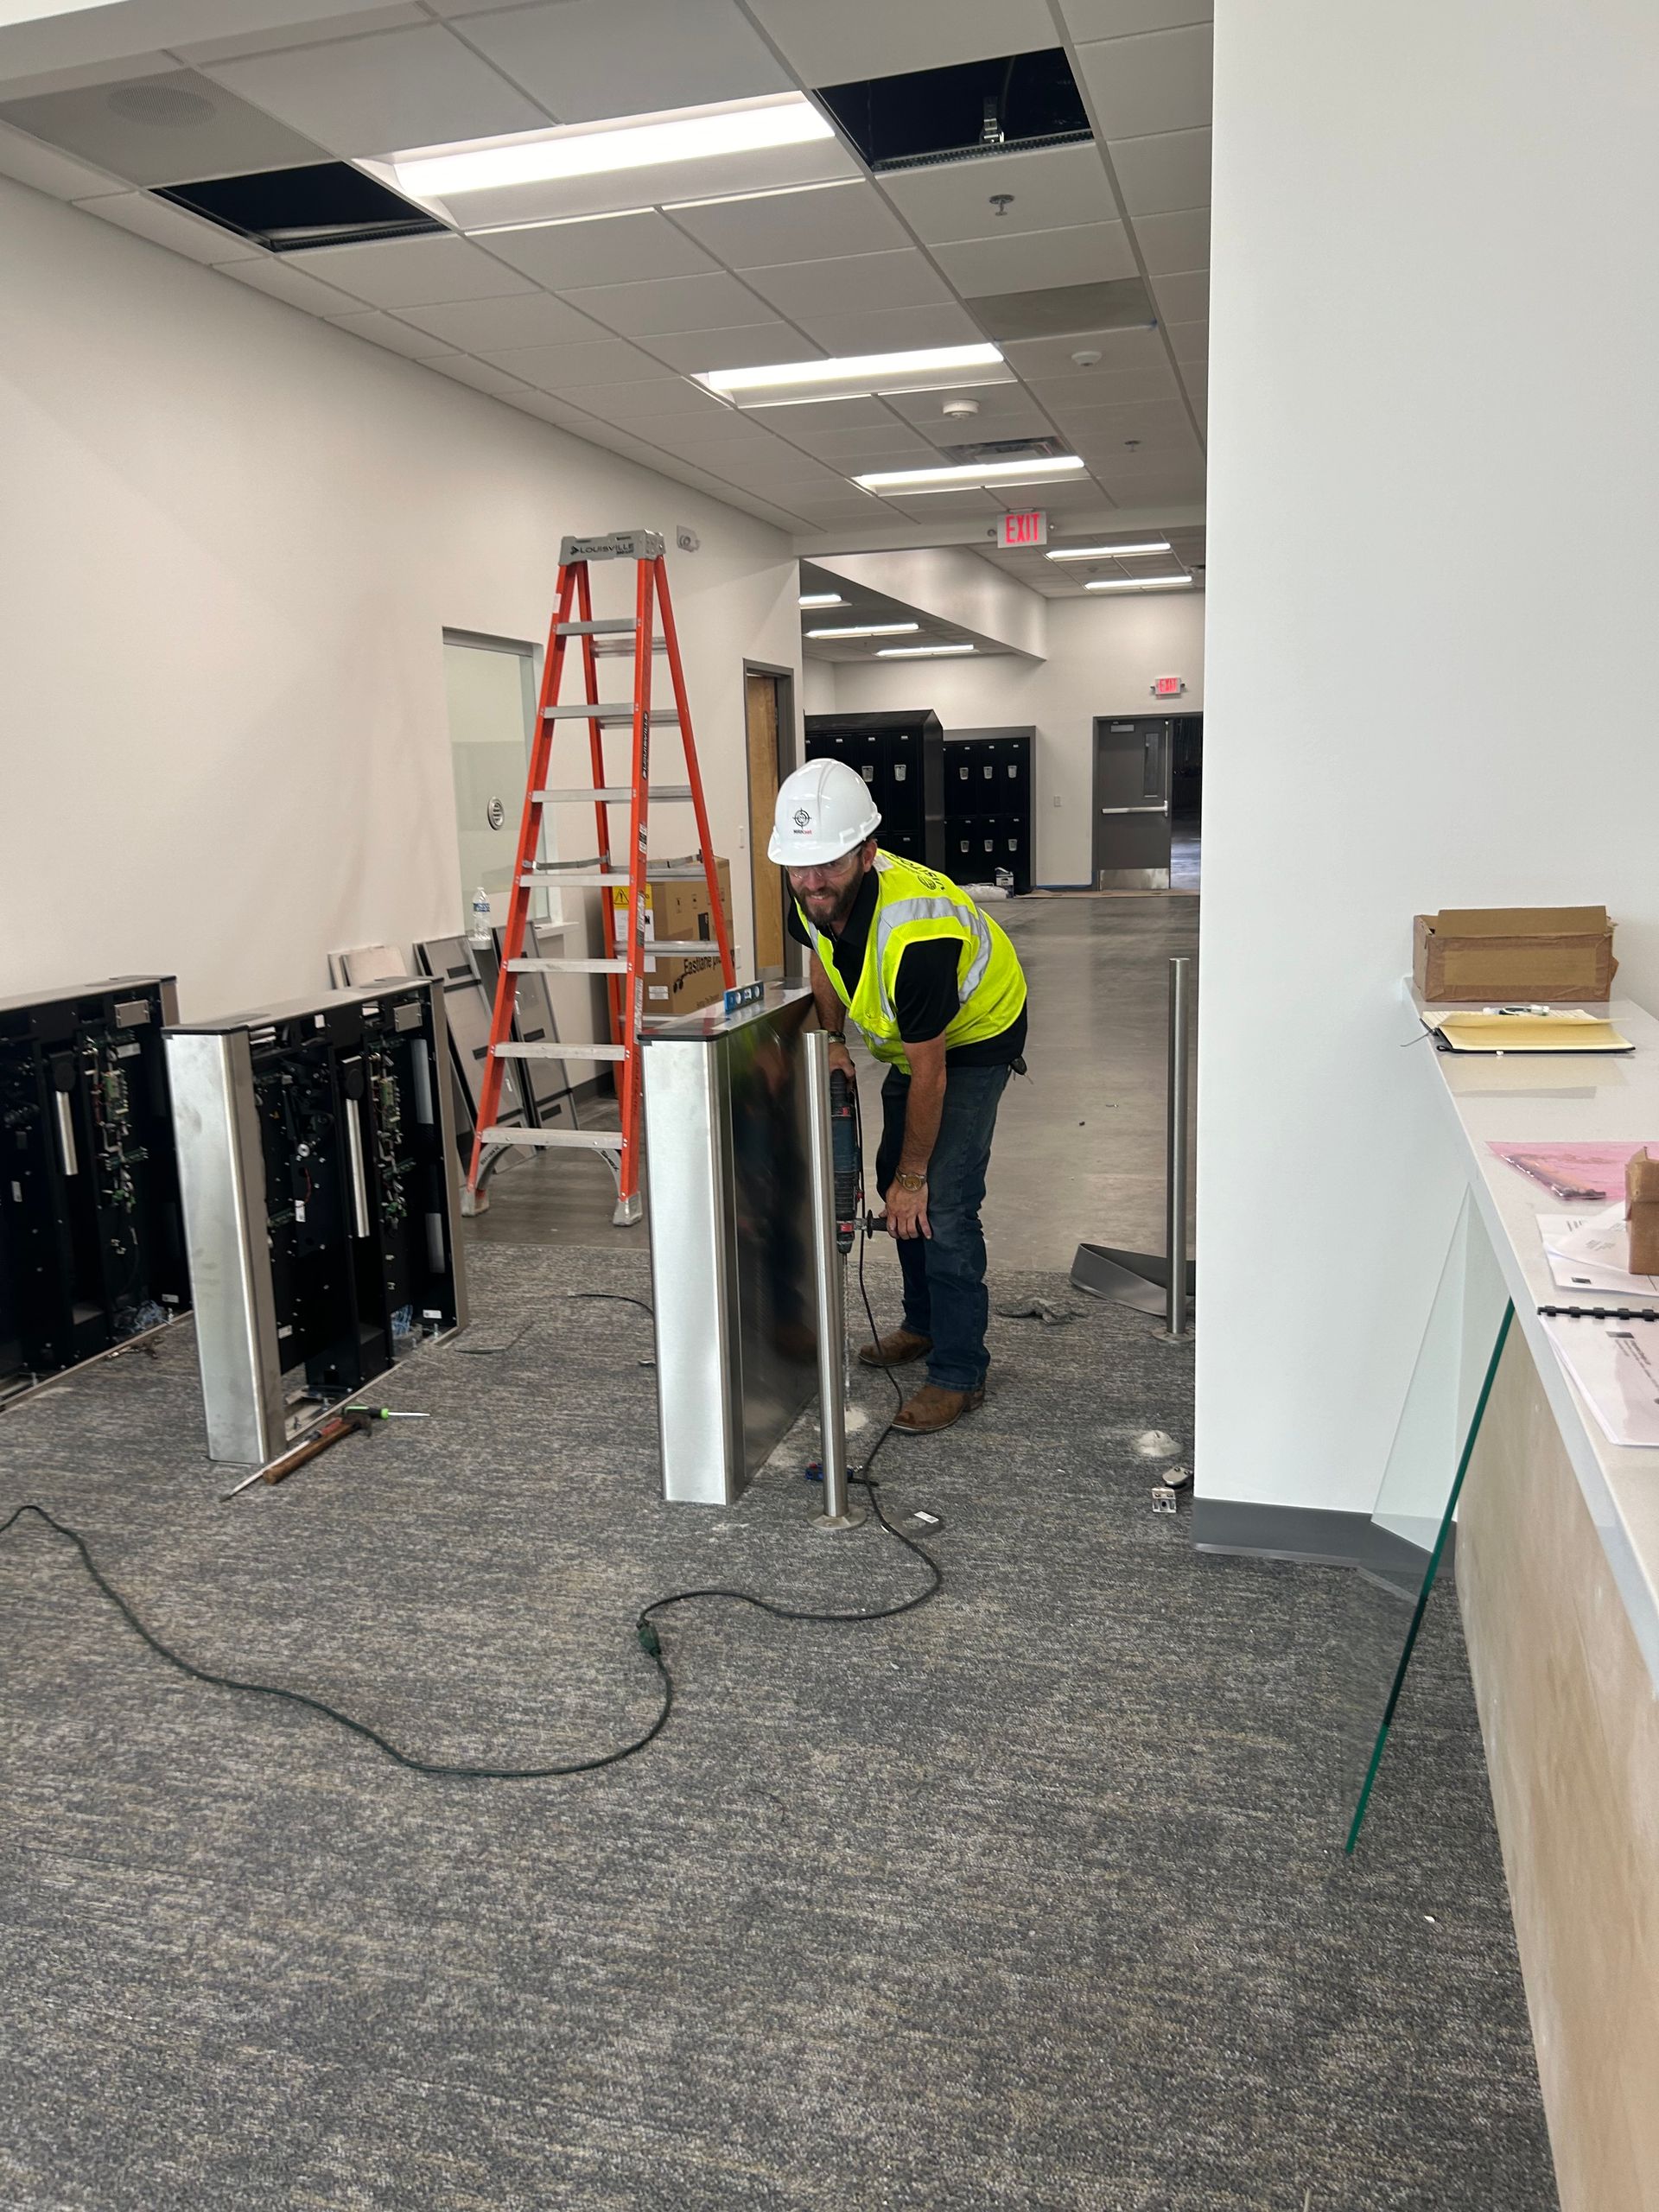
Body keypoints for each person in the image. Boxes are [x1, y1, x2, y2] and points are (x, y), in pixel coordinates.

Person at [770, 757, 1028, 1434]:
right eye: (799, 866)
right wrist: (832, 1039)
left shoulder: (917, 933)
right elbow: (822, 960)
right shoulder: (807, 893)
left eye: (827, 864)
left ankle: (960, 1371)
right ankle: (922, 1323)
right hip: (912, 1041)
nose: (810, 881)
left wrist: (916, 1177)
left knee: (937, 1197)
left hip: (974, 1037)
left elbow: (932, 1071)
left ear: (867, 852)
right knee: (891, 1182)